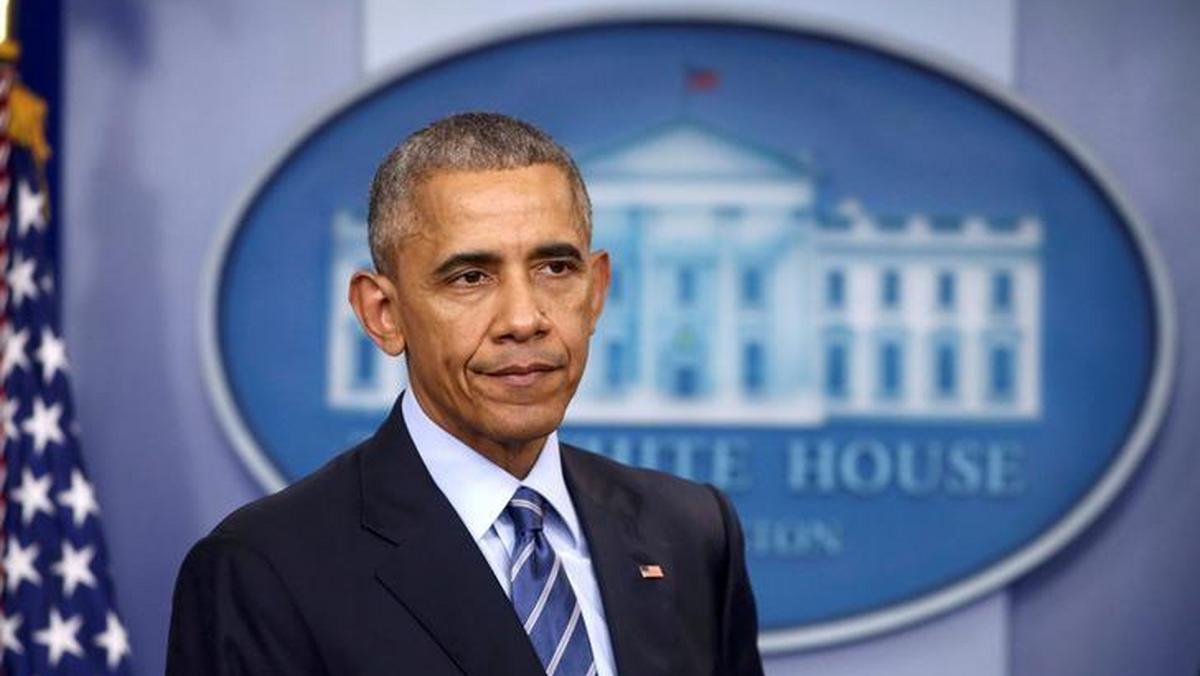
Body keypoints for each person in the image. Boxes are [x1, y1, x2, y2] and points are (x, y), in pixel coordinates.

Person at [167, 112, 764, 675]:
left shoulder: (691, 532)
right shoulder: (263, 570)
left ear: (597, 290)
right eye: (470, 277)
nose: (524, 318)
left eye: (555, 268)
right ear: (383, 313)